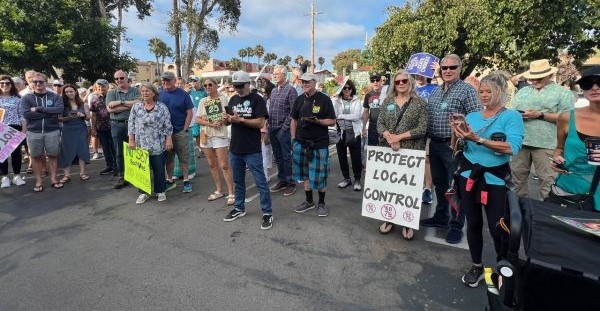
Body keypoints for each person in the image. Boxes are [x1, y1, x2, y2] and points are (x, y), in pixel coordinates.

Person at [450, 73, 524, 287]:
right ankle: (476, 266)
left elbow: (512, 147)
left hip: (495, 179)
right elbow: (456, 149)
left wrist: (479, 139)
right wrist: (456, 133)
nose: (483, 95)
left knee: (497, 226)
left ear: (500, 92)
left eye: (488, 91)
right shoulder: (472, 116)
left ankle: (504, 267)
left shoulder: (511, 117)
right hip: (468, 176)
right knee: (472, 223)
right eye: (481, 91)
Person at [420, 54, 481, 244]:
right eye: (444, 68)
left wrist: (462, 137)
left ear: (460, 69)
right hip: (436, 144)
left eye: (452, 67)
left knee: (455, 187)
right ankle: (441, 217)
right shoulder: (436, 92)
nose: (447, 71)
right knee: (439, 184)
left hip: (454, 146)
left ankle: (456, 226)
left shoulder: (467, 91)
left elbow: (476, 117)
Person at [510, 59, 574, 200]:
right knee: (517, 181)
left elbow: (568, 118)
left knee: (548, 182)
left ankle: (545, 217)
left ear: (550, 76)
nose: (535, 80)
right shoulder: (523, 91)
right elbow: (512, 111)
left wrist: (541, 114)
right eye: (533, 78)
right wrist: (517, 115)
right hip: (521, 142)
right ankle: (520, 215)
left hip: (548, 143)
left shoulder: (563, 93)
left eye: (539, 77)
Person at [376, 70, 428, 240]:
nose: (400, 84)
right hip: (388, 150)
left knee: (408, 189)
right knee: (389, 187)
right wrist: (388, 136)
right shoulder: (388, 101)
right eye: (397, 81)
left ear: (410, 82)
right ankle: (389, 218)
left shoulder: (419, 103)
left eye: (404, 80)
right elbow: (380, 123)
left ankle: (407, 221)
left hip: (411, 152)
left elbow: (422, 128)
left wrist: (399, 137)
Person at [222, 71, 273, 230]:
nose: (238, 89)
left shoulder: (257, 99)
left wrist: (241, 119)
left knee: (260, 182)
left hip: (252, 148)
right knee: (238, 181)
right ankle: (239, 208)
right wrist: (227, 120)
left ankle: (267, 212)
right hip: (236, 147)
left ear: (248, 84)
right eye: (235, 86)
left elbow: (260, 123)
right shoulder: (233, 99)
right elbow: (229, 123)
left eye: (240, 86)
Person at [551, 66, 600, 211]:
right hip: (569, 194)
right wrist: (556, 160)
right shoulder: (567, 117)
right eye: (587, 84)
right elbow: (559, 149)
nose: (595, 88)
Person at [291, 72, 337, 217]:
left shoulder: (324, 99)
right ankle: (309, 201)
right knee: (305, 175)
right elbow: (293, 120)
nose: (304, 84)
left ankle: (322, 203)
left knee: (320, 175)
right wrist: (293, 139)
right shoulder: (299, 100)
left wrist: (318, 121)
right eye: (302, 82)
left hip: (319, 144)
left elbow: (332, 120)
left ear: (314, 83)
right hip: (301, 143)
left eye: (307, 82)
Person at [127, 83, 173, 204]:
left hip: (157, 143)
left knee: (159, 168)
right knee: (142, 169)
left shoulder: (162, 107)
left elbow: (168, 125)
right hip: (141, 143)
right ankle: (143, 192)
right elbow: (131, 125)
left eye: (147, 91)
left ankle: (160, 190)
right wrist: (131, 140)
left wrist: (169, 139)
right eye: (142, 91)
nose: (145, 93)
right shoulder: (136, 107)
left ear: (154, 93)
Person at [20, 72, 64, 192]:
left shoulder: (55, 96)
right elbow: (26, 113)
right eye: (35, 82)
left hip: (52, 130)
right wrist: (49, 113)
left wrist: (39, 109)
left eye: (41, 81)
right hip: (34, 131)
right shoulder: (26, 98)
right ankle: (38, 180)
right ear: (31, 83)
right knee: (35, 157)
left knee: (53, 155)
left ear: (46, 82)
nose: (38, 84)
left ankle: (54, 179)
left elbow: (59, 109)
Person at [195, 77, 235, 206]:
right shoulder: (202, 101)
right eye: (205, 85)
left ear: (216, 85)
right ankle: (219, 190)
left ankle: (231, 192)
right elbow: (197, 119)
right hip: (206, 135)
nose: (207, 87)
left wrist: (224, 119)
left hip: (219, 135)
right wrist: (210, 123)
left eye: (210, 84)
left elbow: (229, 118)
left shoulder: (224, 99)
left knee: (224, 164)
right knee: (212, 165)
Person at [159, 71, 194, 193]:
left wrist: (185, 129)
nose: (166, 82)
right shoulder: (159, 94)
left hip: (179, 131)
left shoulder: (183, 94)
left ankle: (186, 180)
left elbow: (189, 112)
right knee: (168, 158)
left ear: (174, 80)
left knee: (183, 158)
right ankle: (169, 180)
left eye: (168, 80)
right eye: (164, 80)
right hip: (164, 133)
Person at [106, 70, 140, 189]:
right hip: (118, 125)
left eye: (121, 78)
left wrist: (120, 102)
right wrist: (128, 105)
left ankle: (137, 176)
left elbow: (138, 104)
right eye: (116, 79)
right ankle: (122, 176)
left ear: (127, 78)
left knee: (135, 151)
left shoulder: (135, 91)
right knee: (119, 152)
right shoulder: (111, 92)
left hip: (135, 125)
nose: (119, 80)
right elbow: (110, 109)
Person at [268, 65, 298, 196]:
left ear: (284, 75)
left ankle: (291, 182)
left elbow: (293, 111)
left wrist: (284, 127)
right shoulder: (274, 91)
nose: (274, 76)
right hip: (272, 128)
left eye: (276, 74)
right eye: (273, 74)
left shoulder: (291, 90)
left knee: (286, 157)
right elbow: (271, 109)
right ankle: (282, 180)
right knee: (278, 156)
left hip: (283, 129)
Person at [333, 79, 363, 191]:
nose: (346, 90)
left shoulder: (357, 100)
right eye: (344, 88)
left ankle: (357, 179)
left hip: (353, 133)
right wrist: (340, 115)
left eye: (349, 88)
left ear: (352, 89)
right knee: (341, 157)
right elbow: (335, 115)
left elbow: (356, 116)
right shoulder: (337, 101)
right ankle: (346, 178)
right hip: (340, 132)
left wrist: (342, 116)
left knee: (356, 157)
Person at [58, 84, 91, 183]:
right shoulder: (62, 105)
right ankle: (67, 175)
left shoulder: (83, 104)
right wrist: (69, 117)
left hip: (81, 128)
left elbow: (88, 118)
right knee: (66, 151)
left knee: (82, 150)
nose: (69, 93)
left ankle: (82, 173)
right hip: (67, 129)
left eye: (71, 91)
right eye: (66, 92)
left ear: (75, 92)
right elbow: (58, 118)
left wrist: (83, 115)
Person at [415, 72, 439, 204]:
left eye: (422, 74)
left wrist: (438, 74)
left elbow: (446, 91)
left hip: (429, 128)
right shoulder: (410, 88)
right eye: (417, 74)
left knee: (427, 160)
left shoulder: (434, 87)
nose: (419, 76)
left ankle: (427, 189)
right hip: (413, 129)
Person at [0, 75, 25, 188]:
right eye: (2, 83)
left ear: (11, 85)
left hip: (15, 127)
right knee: (2, 154)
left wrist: (24, 129)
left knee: (16, 153)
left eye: (7, 83)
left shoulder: (17, 99)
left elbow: (22, 116)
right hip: (1, 128)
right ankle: (5, 177)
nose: (5, 85)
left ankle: (16, 176)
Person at [89, 79, 117, 176]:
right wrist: (93, 128)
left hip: (113, 126)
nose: (101, 89)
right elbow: (94, 115)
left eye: (103, 86)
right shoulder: (94, 99)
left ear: (107, 86)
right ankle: (109, 166)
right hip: (101, 127)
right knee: (105, 148)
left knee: (114, 148)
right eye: (99, 87)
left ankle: (117, 167)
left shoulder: (113, 97)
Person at [362, 73, 385, 148]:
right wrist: (364, 127)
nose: (375, 82)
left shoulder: (387, 94)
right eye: (372, 80)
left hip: (385, 127)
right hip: (372, 127)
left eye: (377, 80)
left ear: (381, 81)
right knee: (372, 149)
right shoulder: (368, 95)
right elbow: (366, 112)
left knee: (385, 149)